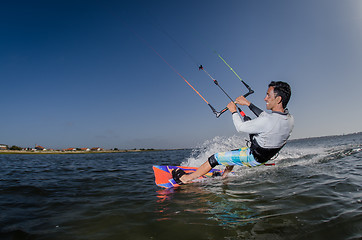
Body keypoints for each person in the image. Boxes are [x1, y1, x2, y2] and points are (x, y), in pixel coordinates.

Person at [172, 81, 294, 184]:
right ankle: (224, 177)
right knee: (232, 153)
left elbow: (240, 127)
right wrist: (248, 104)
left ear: (278, 99)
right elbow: (264, 116)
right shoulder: (289, 119)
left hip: (253, 157)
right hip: (265, 156)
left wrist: (233, 111)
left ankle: (186, 179)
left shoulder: (266, 121)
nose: (265, 98)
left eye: (268, 95)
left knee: (215, 158)